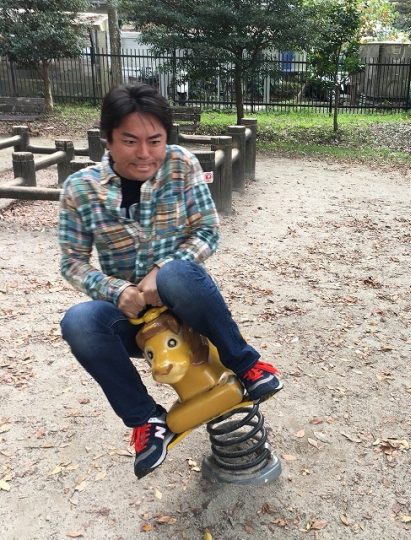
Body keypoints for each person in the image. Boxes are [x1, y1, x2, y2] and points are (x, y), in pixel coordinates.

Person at [58, 83, 282, 479]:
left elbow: (207, 231)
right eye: (130, 141)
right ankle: (147, 421)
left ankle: (247, 365)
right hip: (133, 317)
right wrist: (117, 290)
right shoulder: (80, 189)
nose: (144, 153)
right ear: (108, 138)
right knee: (78, 321)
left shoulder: (181, 165)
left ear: (166, 138)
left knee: (177, 272)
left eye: (154, 140)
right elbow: (72, 262)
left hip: (186, 304)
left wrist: (161, 270)